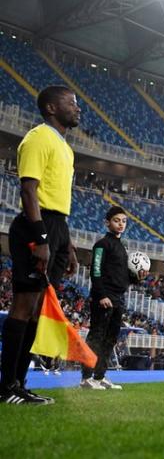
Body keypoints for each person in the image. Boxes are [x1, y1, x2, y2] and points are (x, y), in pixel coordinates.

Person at [1, 85, 81, 406]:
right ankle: (6, 386)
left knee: (37, 310)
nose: (78, 108)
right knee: (24, 305)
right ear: (51, 107)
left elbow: (59, 200)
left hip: (57, 226)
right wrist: (41, 238)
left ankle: (19, 384)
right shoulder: (38, 138)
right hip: (37, 226)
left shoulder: (66, 147)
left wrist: (68, 244)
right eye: (71, 103)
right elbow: (29, 191)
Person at [81, 206, 147, 390]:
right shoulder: (102, 244)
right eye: (117, 220)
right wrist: (101, 295)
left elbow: (125, 276)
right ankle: (86, 378)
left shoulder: (122, 246)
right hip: (104, 298)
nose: (121, 224)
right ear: (107, 222)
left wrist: (137, 277)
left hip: (118, 299)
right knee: (96, 336)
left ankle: (99, 376)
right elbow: (95, 270)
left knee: (110, 339)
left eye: (124, 221)